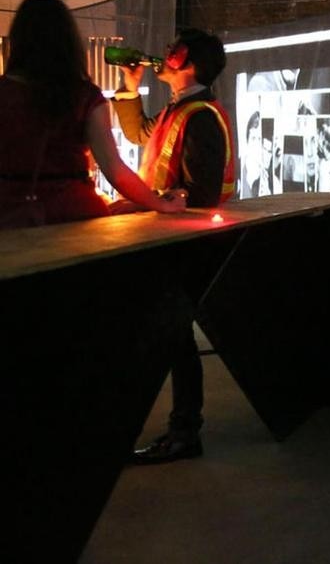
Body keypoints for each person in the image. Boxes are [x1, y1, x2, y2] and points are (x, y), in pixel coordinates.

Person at [112, 26, 236, 464]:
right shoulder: (181, 109)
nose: (164, 54)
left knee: (174, 338)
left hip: (180, 243)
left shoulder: (200, 114)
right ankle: (183, 429)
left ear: (188, 61)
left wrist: (166, 203)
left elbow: (199, 191)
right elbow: (140, 134)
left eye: (174, 50)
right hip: (166, 237)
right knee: (172, 338)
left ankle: (185, 430)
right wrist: (130, 89)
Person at [0, 0, 185, 229]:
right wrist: (160, 204)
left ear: (18, 41)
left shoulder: (4, 92)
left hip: (10, 215)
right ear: (68, 41)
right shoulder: (84, 96)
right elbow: (114, 169)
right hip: (74, 211)